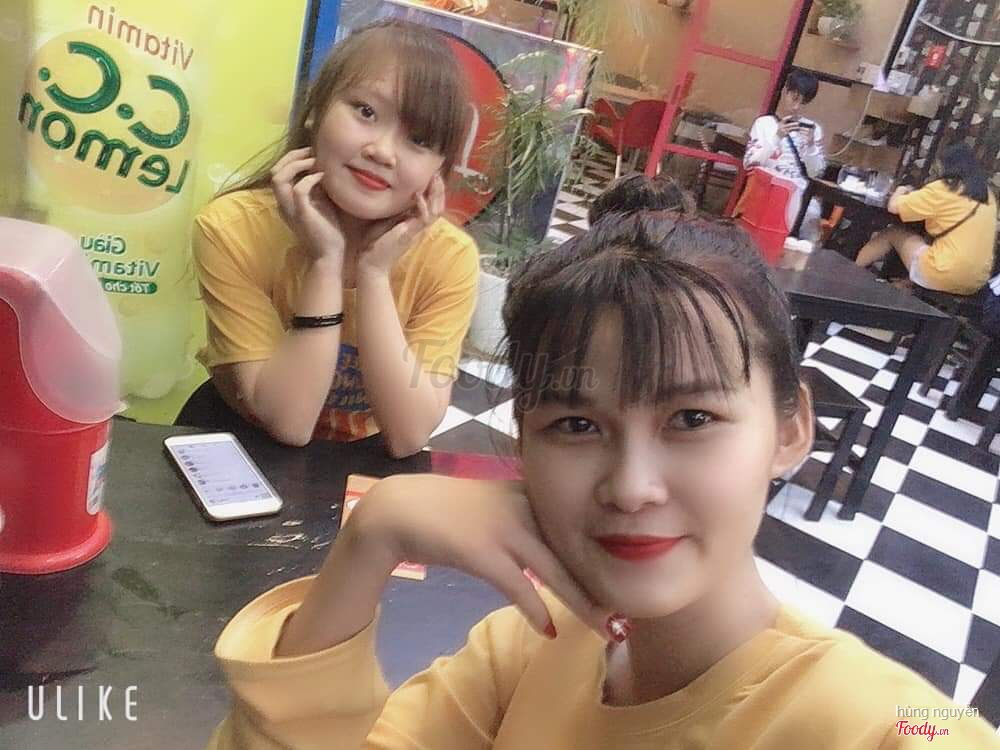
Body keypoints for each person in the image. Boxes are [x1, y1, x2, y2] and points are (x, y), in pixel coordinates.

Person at [205, 177, 1000, 749]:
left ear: (791, 428)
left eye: (692, 418)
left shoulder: (889, 726)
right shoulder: (531, 649)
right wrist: (370, 536)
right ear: (522, 444)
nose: (631, 486)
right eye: (577, 425)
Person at [191, 20, 479, 455]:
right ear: (317, 108)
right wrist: (326, 262)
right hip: (236, 439)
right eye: (366, 112)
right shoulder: (231, 228)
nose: (382, 151)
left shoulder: (449, 258)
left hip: (366, 455)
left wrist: (374, 274)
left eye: (419, 139)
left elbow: (408, 436)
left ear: (439, 169)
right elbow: (289, 422)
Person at [855, 142, 997, 296]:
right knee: (929, 243)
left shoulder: (946, 188)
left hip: (945, 272)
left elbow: (894, 207)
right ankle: (904, 284)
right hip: (975, 281)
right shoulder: (988, 195)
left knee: (892, 233)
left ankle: (851, 273)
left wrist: (902, 189)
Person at [742, 69, 826, 240]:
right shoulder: (764, 124)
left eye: (803, 102)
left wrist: (811, 146)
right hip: (769, 188)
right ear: (785, 91)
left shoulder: (813, 129)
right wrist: (777, 137)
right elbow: (749, 162)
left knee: (810, 216)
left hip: (800, 194)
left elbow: (815, 172)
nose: (796, 107)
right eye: (794, 98)